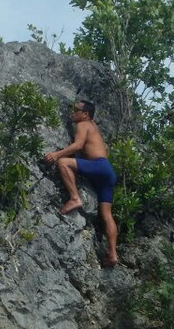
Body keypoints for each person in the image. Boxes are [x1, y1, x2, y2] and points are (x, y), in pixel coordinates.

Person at [42, 100, 120, 266]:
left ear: (85, 114)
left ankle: (75, 198)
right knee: (106, 214)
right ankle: (113, 254)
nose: (72, 112)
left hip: (99, 166)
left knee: (63, 162)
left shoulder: (83, 125)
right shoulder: (92, 126)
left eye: (76, 110)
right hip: (107, 172)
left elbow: (77, 145)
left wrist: (56, 154)